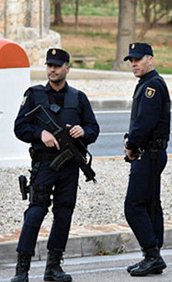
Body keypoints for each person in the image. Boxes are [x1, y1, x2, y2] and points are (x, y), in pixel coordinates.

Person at [12, 48, 99, 282]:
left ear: (67, 68)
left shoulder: (78, 98)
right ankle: (22, 270)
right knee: (35, 212)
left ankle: (53, 267)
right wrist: (40, 133)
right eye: (49, 65)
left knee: (63, 214)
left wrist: (84, 132)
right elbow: (20, 127)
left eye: (57, 66)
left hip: (70, 166)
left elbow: (94, 129)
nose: (52, 69)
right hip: (44, 164)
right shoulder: (34, 95)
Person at [123, 42, 171, 276]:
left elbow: (144, 124)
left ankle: (152, 253)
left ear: (150, 59)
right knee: (151, 204)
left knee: (133, 206)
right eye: (131, 60)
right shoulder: (147, 83)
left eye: (138, 59)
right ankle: (153, 255)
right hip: (152, 152)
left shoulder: (152, 86)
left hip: (148, 153)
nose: (134, 63)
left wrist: (131, 145)